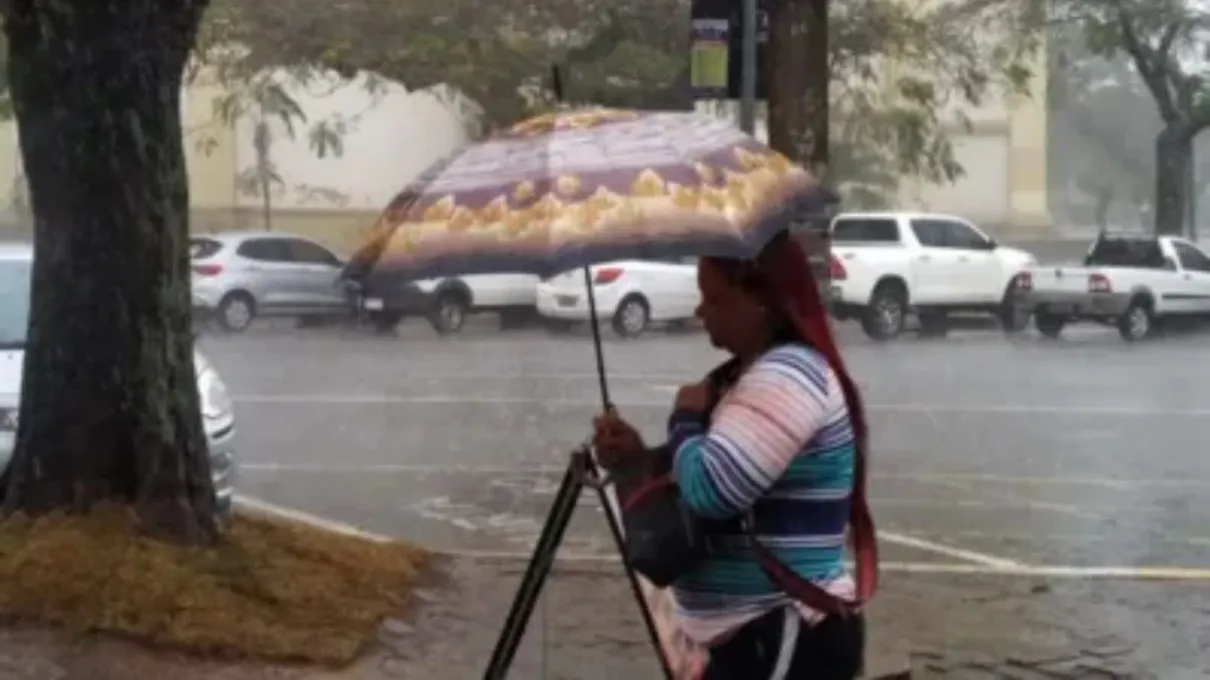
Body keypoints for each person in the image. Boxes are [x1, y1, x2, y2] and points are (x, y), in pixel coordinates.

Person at [593, 232, 875, 679]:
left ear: (759, 299)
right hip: (753, 642)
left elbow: (711, 490)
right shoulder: (746, 374)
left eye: (714, 298)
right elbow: (704, 470)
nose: (700, 311)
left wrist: (684, 418)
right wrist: (637, 459)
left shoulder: (789, 375)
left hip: (786, 637)